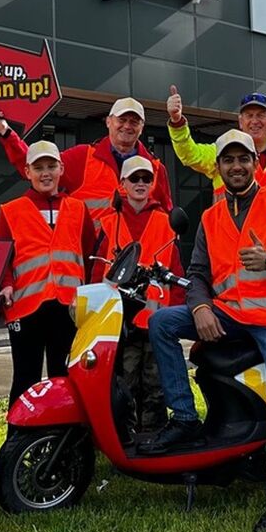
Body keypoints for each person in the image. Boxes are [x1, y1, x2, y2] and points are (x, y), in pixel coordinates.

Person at [146, 130, 266, 532]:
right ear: (220, 168)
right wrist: (202, 307)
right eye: (228, 160)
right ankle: (186, 418)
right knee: (161, 322)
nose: (237, 166)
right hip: (232, 313)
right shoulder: (210, 215)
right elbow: (198, 274)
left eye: (244, 159)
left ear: (256, 165)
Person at [0, 140, 100, 407]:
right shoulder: (10, 210)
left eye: (51, 166)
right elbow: (2, 260)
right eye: (38, 167)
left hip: (69, 308)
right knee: (25, 380)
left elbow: (89, 257)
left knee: (65, 378)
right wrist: (6, 284)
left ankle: (65, 444)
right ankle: (17, 443)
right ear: (27, 171)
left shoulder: (78, 209)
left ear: (61, 169)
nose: (45, 173)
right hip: (25, 308)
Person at [93, 155, 184, 435]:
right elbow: (97, 274)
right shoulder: (108, 224)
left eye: (147, 178)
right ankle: (126, 437)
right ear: (123, 183)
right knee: (125, 381)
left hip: (158, 321)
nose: (141, 183)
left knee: (157, 382)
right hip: (121, 323)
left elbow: (178, 273)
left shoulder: (167, 223)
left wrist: (177, 316)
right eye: (135, 178)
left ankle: (154, 436)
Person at [0, 97, 173, 219]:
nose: (127, 126)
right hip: (91, 263)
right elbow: (36, 166)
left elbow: (167, 217)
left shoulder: (155, 168)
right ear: (108, 122)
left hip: (137, 266)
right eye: (121, 120)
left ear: (142, 127)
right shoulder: (83, 157)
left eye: (134, 121)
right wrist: (6, 133)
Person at [166, 87, 266, 198]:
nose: (255, 121)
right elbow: (190, 155)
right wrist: (177, 122)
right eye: (249, 115)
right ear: (240, 121)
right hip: (230, 225)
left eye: (260, 115)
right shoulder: (221, 149)